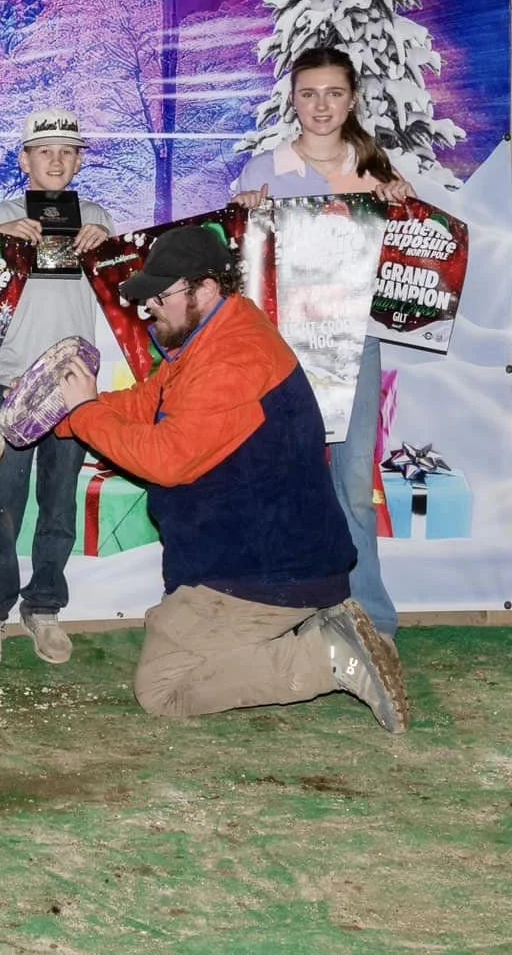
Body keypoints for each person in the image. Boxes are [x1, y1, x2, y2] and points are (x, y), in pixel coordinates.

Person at [53, 224, 410, 733]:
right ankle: (317, 625)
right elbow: (147, 402)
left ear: (207, 288)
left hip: (266, 575)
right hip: (254, 562)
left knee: (162, 687)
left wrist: (85, 414)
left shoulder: (232, 359)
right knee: (169, 624)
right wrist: (62, 417)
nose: (149, 306)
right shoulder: (219, 332)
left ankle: (327, 656)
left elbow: (168, 459)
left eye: (162, 294)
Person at [233, 45, 415, 641]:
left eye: (334, 93)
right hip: (283, 352)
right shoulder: (264, 169)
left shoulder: (377, 173)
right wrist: (242, 216)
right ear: (294, 98)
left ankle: (373, 623)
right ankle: (294, 613)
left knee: (354, 488)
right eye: (308, 93)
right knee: (289, 480)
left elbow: (407, 266)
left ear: (353, 99)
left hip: (353, 345)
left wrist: (403, 209)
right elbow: (239, 267)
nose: (321, 105)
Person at [0, 110, 114, 668]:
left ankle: (45, 604)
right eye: (43, 150)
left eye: (66, 151)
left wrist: (105, 247)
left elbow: (125, 288)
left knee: (59, 500)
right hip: (15, 374)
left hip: (74, 380)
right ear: (24, 159)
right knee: (2, 499)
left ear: (78, 162)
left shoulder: (96, 217)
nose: (55, 159)